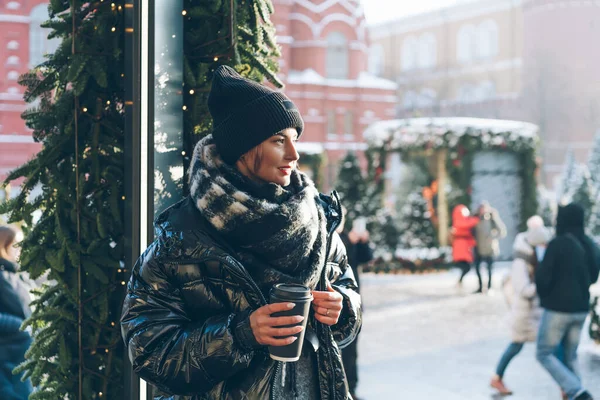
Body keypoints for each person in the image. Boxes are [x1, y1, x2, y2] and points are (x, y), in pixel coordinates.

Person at [120, 65, 362, 399]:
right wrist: (240, 334)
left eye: (294, 140)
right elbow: (149, 352)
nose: (294, 155)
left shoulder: (319, 222)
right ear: (243, 150)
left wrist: (343, 307)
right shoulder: (182, 240)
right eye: (279, 141)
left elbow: (347, 292)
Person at [535, 203, 600, 400]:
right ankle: (576, 393)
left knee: (544, 353)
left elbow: (543, 278)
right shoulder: (590, 243)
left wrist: (546, 297)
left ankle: (577, 392)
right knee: (571, 356)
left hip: (557, 308)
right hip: (580, 308)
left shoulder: (557, 243)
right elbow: (594, 276)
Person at [490, 215, 549, 395]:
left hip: (532, 314)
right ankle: (567, 385)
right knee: (538, 348)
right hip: (523, 315)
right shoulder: (520, 262)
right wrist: (543, 284)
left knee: (521, 346)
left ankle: (496, 378)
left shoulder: (532, 260)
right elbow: (524, 289)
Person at [337, 209, 373, 400]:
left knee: (351, 351)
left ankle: (351, 388)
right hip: (334, 305)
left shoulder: (347, 237)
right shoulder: (332, 238)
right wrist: (350, 240)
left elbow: (365, 258)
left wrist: (364, 241)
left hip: (353, 303)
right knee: (337, 352)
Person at [0, 225, 33, 400]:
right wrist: (19, 327)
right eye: (16, 244)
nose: (20, 250)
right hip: (5, 353)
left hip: (21, 353)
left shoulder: (14, 273)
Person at [474, 201, 507, 293]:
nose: (482, 211)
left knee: (489, 269)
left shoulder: (492, 218)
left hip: (490, 248)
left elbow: (502, 231)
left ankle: (489, 287)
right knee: (477, 268)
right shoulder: (475, 218)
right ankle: (480, 287)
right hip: (478, 248)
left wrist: (492, 237)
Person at [452, 204, 480, 288]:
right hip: (461, 248)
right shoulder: (459, 221)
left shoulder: (462, 220)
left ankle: (460, 281)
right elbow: (467, 223)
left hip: (465, 247)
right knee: (467, 266)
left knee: (467, 266)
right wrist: (476, 219)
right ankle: (460, 281)